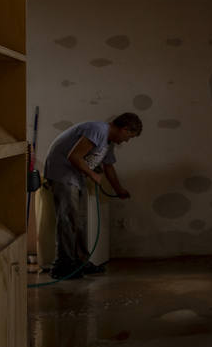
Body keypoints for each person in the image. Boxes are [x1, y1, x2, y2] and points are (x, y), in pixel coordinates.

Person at [43, 111, 141, 280]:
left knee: (80, 221)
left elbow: (109, 166)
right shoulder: (98, 129)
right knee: (68, 220)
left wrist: (119, 190)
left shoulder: (107, 142)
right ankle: (63, 265)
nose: (127, 141)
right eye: (129, 136)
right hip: (62, 174)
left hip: (75, 177)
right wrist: (92, 174)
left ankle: (81, 262)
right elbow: (73, 156)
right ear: (124, 129)